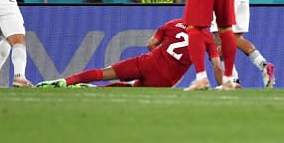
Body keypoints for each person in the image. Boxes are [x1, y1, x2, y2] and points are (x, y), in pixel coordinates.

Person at [37, 19, 221, 88]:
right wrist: (222, 85)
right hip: (166, 79)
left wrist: (160, 56)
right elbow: (216, 65)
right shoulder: (207, 38)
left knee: (104, 72)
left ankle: (64, 81)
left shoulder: (173, 24)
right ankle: (94, 91)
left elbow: (151, 44)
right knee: (132, 90)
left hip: (149, 62)